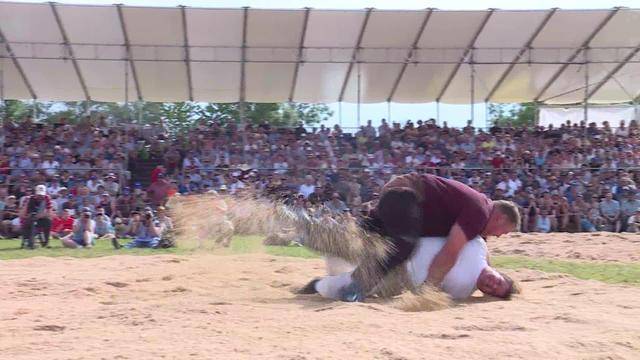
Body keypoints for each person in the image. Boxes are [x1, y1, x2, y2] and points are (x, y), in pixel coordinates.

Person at [327, 173, 520, 302]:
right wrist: (428, 291)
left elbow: (473, 251)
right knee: (402, 246)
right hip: (406, 195)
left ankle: (319, 232)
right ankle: (356, 286)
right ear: (501, 217)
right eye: (503, 231)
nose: (498, 235)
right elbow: (449, 253)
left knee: (363, 237)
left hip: (404, 203)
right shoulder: (480, 212)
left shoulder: (479, 212)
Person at [301, 236, 519, 300]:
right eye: (498, 282)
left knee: (361, 287)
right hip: (405, 247)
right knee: (359, 252)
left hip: (405, 278)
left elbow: (431, 292)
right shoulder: (479, 245)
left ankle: (320, 285)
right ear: (500, 273)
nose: (491, 285)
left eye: (492, 291)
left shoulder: (464, 291)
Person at [20, 184, 54, 249]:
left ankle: (46, 243)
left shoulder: (47, 198)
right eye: (39, 195)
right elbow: (22, 214)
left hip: (41, 218)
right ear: (35, 193)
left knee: (48, 222)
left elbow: (50, 213)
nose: (40, 197)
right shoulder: (29, 199)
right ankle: (28, 242)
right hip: (28, 219)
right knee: (30, 222)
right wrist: (27, 207)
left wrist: (42, 215)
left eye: (42, 195)